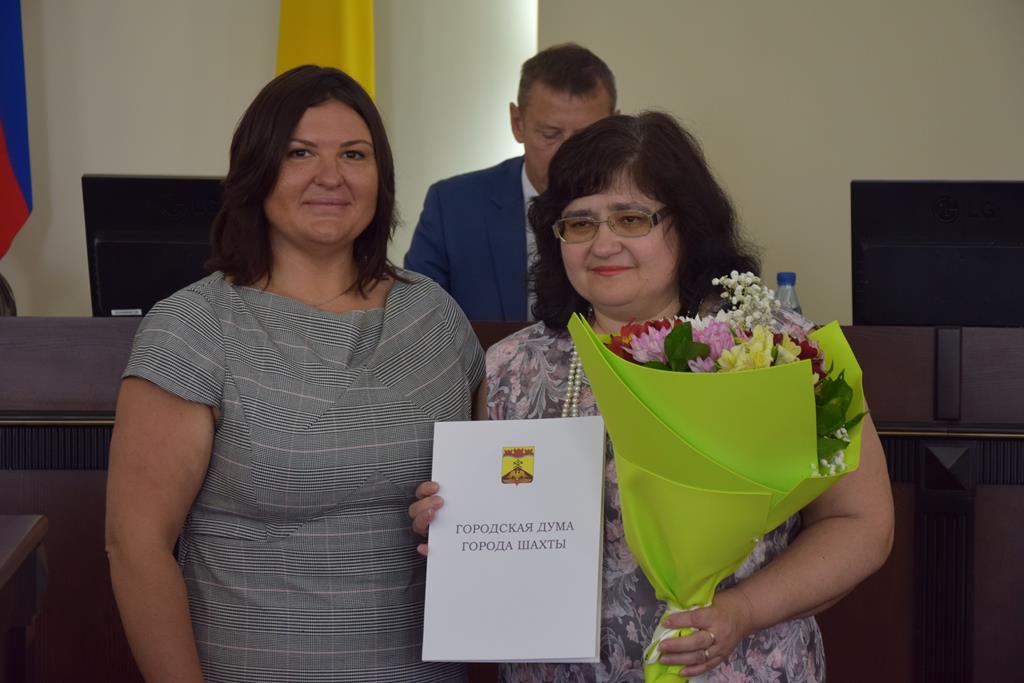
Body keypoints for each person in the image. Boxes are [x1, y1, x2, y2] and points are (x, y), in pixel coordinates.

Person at [412, 112, 894, 682]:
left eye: (631, 218)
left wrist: (742, 610)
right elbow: (499, 524)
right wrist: (452, 523)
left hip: (736, 666)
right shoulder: (513, 367)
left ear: (687, 224)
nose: (603, 243)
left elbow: (861, 522)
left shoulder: (778, 351)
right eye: (579, 223)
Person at [105, 65, 485, 683]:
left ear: (381, 177)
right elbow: (136, 546)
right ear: (256, 172)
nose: (330, 176)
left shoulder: (435, 317)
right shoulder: (194, 326)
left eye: (354, 154)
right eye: (299, 153)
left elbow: (498, 495)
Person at [403, 43, 616, 321]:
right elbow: (416, 323)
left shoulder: (639, 213)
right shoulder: (452, 206)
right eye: (550, 134)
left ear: (615, 128)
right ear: (517, 123)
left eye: (586, 137)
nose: (568, 154)